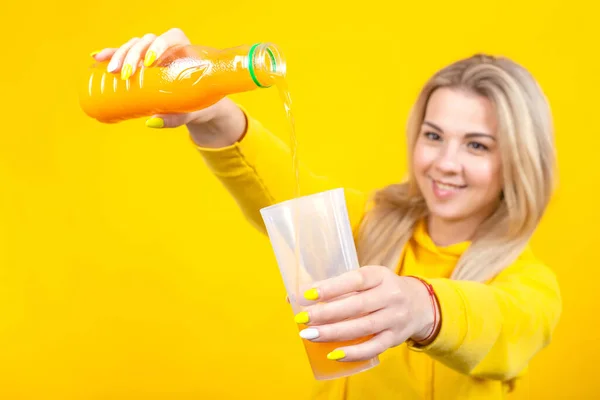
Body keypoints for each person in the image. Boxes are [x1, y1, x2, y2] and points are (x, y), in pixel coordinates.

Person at [91, 28, 562, 399]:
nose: (444, 163)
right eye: (433, 135)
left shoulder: (530, 286)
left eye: (477, 145)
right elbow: (279, 191)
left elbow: (502, 324)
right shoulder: (370, 220)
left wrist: (422, 307)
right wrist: (213, 110)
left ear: (518, 160)